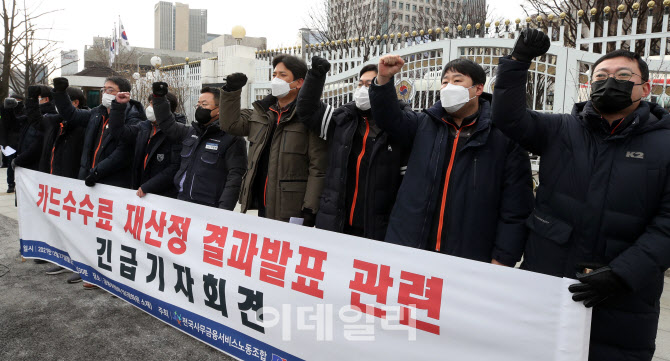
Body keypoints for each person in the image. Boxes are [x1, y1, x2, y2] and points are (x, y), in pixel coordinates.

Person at [492, 29, 670, 361]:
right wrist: (517, 62)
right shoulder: (560, 129)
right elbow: (507, 117)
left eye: (623, 76)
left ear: (645, 88)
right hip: (547, 282)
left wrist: (623, 273)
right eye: (601, 76)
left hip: (624, 301)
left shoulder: (665, 144)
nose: (610, 81)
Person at [368, 55, 534, 267]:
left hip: (468, 258)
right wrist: (383, 80)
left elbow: (516, 205)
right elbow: (388, 118)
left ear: (478, 89)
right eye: (445, 82)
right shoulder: (423, 124)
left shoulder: (503, 136)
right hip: (410, 247)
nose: (448, 87)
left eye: (457, 81)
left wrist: (503, 258)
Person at [296, 57, 410, 240]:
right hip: (336, 223)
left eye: (370, 84)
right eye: (360, 84)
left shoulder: (400, 124)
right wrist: (316, 76)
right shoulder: (343, 119)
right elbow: (307, 111)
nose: (363, 89)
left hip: (376, 227)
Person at [220, 54, 328, 225]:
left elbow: (318, 167)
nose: (276, 79)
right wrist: (231, 92)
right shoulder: (262, 112)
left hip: (292, 207)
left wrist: (310, 207)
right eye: (274, 74)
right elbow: (230, 124)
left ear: (299, 82)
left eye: (283, 75)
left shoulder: (308, 118)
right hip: (263, 203)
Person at [152, 82, 247, 210]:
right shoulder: (191, 132)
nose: (199, 108)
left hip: (209, 208)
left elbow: (235, 177)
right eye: (198, 104)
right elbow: (167, 124)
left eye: (204, 104)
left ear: (220, 109)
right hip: (182, 201)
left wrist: (225, 211)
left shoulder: (232, 138)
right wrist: (159, 99)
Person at [52, 76, 145, 190]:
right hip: (88, 180)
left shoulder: (134, 119)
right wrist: (61, 93)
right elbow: (71, 114)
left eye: (110, 90)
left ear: (124, 93)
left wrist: (96, 172)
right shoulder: (96, 113)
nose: (105, 93)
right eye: (104, 90)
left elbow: (123, 153)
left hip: (113, 184)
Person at [37, 86, 87, 278]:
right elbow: (35, 120)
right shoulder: (59, 122)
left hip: (74, 181)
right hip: (57, 180)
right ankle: (63, 258)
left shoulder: (83, 122)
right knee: (61, 223)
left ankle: (78, 263)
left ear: (74, 103)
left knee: (76, 226)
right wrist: (34, 98)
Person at [108, 92, 184, 199]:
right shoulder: (144, 127)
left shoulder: (178, 132)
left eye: (153, 104)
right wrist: (118, 106)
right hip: (140, 191)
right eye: (150, 103)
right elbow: (118, 132)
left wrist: (148, 186)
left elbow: (175, 167)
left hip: (163, 196)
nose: (149, 108)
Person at [0, 94, 25, 193]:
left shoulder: (22, 109)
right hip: (11, 143)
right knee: (11, 164)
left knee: (17, 164)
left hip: (19, 141)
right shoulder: (5, 110)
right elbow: (4, 127)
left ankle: (15, 183)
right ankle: (11, 184)